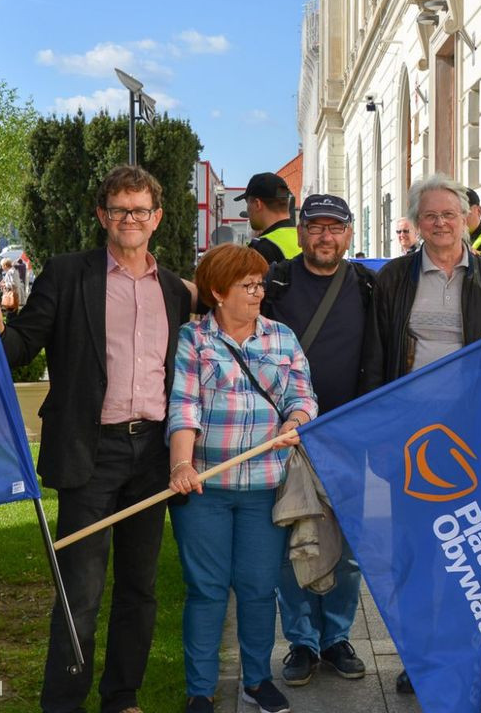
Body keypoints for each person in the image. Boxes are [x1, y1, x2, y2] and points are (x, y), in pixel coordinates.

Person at [0, 165, 193, 713]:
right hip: (89, 452)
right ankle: (63, 703)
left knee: (139, 589)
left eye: (140, 210)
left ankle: (122, 697)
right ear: (102, 215)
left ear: (157, 219)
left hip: (151, 453)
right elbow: (24, 343)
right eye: (119, 209)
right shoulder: (68, 274)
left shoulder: (173, 290)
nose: (130, 219)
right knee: (79, 592)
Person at [363, 173, 481, 695]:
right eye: (430, 216)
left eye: (449, 215)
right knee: (414, 549)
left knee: (469, 547)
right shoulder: (392, 279)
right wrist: (377, 433)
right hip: (409, 434)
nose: (440, 224)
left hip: (467, 434)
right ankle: (420, 657)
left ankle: (466, 653)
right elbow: (376, 356)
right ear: (416, 223)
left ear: (466, 219)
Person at [167, 243, 316, 713]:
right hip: (205, 488)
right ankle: (200, 691)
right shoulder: (194, 338)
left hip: (264, 487)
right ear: (217, 291)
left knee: (257, 589)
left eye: (260, 284)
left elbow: (303, 396)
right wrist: (181, 465)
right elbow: (184, 404)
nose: (258, 293)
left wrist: (295, 422)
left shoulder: (281, 337)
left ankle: (256, 680)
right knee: (207, 590)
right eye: (247, 285)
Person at [261, 194, 376, 688]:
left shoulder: (369, 285)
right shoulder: (276, 282)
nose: (325, 237)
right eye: (316, 227)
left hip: (353, 433)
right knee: (295, 539)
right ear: (302, 231)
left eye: (335, 228)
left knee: (348, 546)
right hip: (289, 433)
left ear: (349, 233)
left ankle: (337, 637)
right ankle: (302, 642)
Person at [237, 171, 300, 264]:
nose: (247, 210)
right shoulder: (305, 238)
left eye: (247, 203)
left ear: (258, 204)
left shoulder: (260, 250)